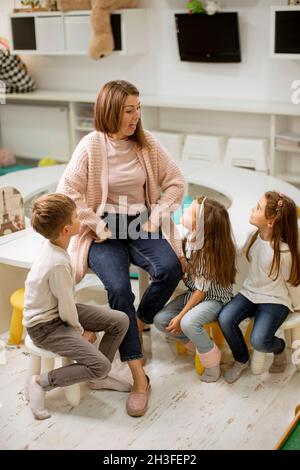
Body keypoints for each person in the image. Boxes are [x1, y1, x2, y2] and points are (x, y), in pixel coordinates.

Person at [57, 80, 185, 417]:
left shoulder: (146, 143)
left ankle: (139, 319)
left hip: (141, 222)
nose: (136, 116)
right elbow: (67, 191)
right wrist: (96, 225)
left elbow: (176, 182)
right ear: (111, 110)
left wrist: (157, 216)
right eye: (129, 110)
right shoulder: (90, 146)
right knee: (118, 289)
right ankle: (138, 375)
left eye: (138, 108)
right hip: (103, 229)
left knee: (170, 269)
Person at [23, 194, 130, 420]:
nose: (80, 218)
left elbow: (66, 303)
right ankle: (41, 382)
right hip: (45, 326)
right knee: (101, 365)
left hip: (57, 312)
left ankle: (96, 377)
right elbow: (66, 308)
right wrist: (79, 332)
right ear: (65, 230)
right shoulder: (57, 263)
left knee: (120, 320)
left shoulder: (56, 247)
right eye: (75, 217)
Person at [219, 191, 300, 383]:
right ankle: (241, 358)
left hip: (274, 300)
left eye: (257, 207)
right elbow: (240, 252)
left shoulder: (284, 252)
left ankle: (279, 349)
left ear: (270, 222)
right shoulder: (253, 236)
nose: (252, 209)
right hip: (249, 293)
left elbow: (292, 283)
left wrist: (297, 306)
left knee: (259, 341)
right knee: (225, 318)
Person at [154, 196, 236, 382]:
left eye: (189, 211)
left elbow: (202, 291)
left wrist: (181, 315)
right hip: (195, 294)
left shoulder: (207, 252)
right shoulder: (191, 238)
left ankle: (212, 364)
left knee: (187, 323)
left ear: (200, 226)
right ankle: (205, 347)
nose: (184, 210)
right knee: (160, 319)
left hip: (213, 299)